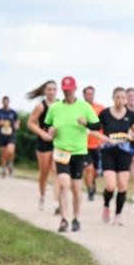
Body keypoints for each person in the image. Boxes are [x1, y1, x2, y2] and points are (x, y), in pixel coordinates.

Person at [42, 76, 100, 233]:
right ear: (62, 89)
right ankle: (64, 219)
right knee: (63, 184)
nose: (67, 92)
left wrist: (86, 123)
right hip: (61, 150)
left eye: (70, 89)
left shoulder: (84, 107)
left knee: (76, 187)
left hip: (79, 152)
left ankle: (76, 218)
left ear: (75, 89)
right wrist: (50, 130)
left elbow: (97, 124)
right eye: (65, 90)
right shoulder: (54, 107)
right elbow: (46, 124)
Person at [95, 87, 134, 225]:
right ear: (113, 98)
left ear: (126, 99)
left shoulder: (130, 115)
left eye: (123, 97)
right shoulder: (104, 113)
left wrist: (132, 136)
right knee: (110, 185)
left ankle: (118, 216)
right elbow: (94, 131)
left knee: (122, 185)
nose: (120, 100)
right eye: (117, 97)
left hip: (124, 152)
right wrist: (104, 138)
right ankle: (106, 206)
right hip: (108, 151)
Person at [26, 81, 58, 211]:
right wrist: (42, 133)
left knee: (56, 171)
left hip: (58, 142)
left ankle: (56, 202)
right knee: (44, 172)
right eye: (49, 89)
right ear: (45, 91)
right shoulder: (40, 106)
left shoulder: (61, 105)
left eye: (54, 89)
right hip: (43, 142)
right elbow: (31, 123)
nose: (52, 92)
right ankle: (42, 196)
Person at [83, 85, 105, 201]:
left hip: (97, 143)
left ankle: (92, 182)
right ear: (84, 95)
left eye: (91, 94)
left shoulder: (100, 108)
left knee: (96, 171)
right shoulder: (79, 108)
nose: (89, 96)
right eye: (87, 94)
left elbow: (105, 123)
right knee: (88, 169)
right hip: (84, 144)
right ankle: (90, 189)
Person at [0, 96, 20, 177]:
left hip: (11, 134)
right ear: (2, 102)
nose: (5, 103)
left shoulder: (13, 112)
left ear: (9, 102)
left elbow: (17, 121)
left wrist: (17, 125)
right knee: (3, 153)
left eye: (7, 101)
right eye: (4, 101)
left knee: (10, 151)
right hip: (2, 135)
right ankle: (3, 168)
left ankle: (11, 164)